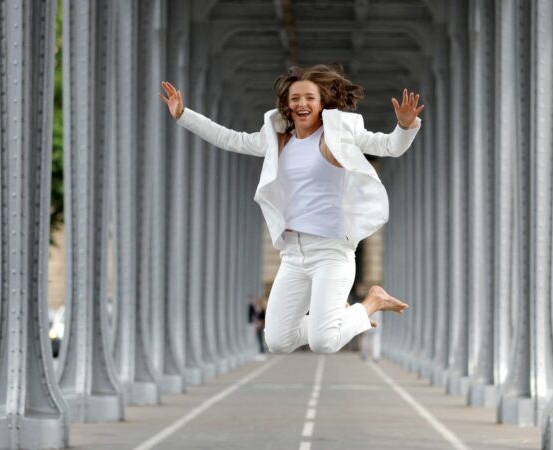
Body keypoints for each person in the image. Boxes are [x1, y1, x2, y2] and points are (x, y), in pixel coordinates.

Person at [159, 64, 424, 355]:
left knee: (324, 343)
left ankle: (372, 302)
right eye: (295, 97)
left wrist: (405, 126)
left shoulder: (339, 133)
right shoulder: (278, 140)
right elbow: (229, 138)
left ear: (322, 103)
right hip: (293, 254)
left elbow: (388, 146)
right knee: (277, 341)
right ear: (287, 104)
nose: (302, 103)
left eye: (310, 97)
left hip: (331, 252)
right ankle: (338, 318)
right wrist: (184, 115)